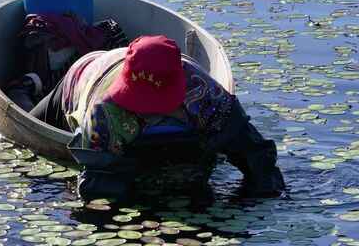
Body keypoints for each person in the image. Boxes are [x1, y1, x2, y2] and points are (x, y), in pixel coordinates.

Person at [30, 35, 285, 198]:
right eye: (139, 102)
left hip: (130, 65)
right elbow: (97, 184)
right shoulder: (105, 111)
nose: (147, 110)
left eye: (156, 103)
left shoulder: (205, 95)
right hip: (82, 76)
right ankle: (27, 84)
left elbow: (256, 155)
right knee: (29, 124)